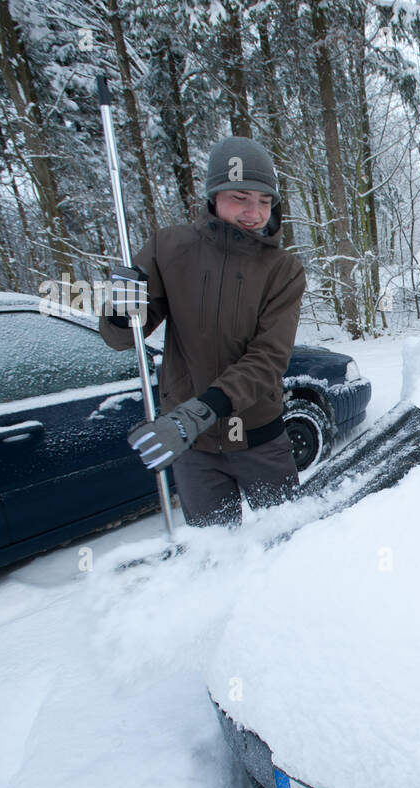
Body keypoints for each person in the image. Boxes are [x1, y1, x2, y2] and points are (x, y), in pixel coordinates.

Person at [100, 135, 306, 527]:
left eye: (265, 201)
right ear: (213, 195)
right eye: (241, 197)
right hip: (193, 449)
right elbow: (122, 337)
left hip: (258, 439)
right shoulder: (169, 248)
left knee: (287, 545)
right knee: (214, 559)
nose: (254, 212)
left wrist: (199, 412)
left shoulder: (282, 270)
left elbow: (268, 360)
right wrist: (119, 308)